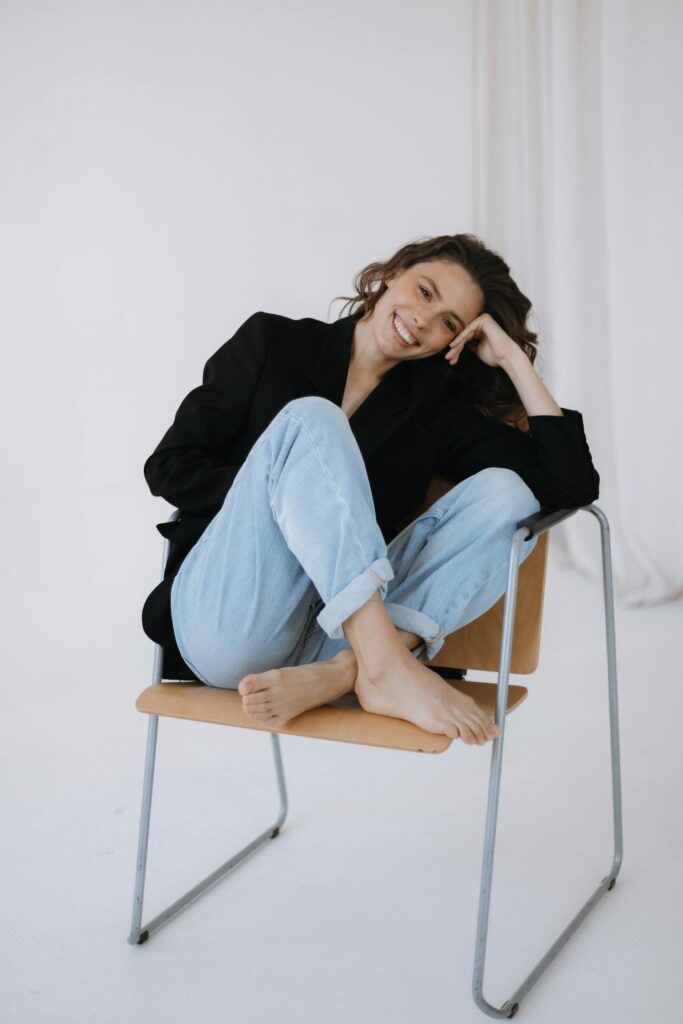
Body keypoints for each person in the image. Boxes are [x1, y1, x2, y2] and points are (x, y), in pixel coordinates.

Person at [142, 233, 599, 747]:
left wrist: (513, 359)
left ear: (454, 343)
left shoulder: (433, 410)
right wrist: (287, 493)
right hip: (231, 622)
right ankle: (386, 666)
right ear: (394, 272)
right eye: (424, 291)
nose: (423, 319)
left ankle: (351, 671)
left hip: (331, 641)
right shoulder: (273, 342)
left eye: (449, 322)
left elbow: (568, 486)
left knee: (509, 496)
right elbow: (169, 466)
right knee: (313, 419)